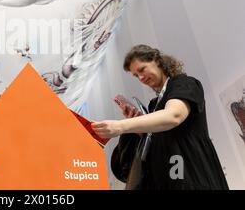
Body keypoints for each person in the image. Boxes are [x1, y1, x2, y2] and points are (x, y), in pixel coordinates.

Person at [91, 44, 229, 190]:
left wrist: (120, 126)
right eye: (136, 75)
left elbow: (173, 116)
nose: (141, 77)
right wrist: (138, 128)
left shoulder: (183, 84)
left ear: (156, 60)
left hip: (191, 175)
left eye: (142, 70)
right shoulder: (154, 105)